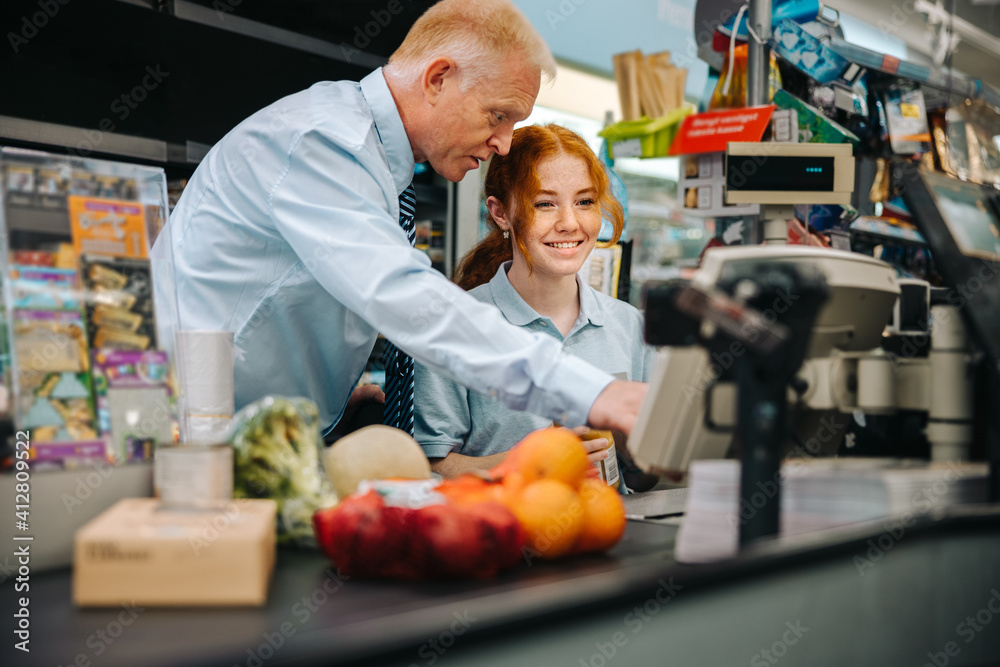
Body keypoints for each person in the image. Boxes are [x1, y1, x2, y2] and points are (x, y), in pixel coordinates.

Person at [154, 0, 647, 443]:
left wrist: (328, 394)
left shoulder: (375, 162)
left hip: (259, 435)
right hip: (188, 442)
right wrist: (595, 394)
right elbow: (406, 300)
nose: (503, 143)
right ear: (437, 79)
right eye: (498, 115)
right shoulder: (324, 141)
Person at [414, 124, 656, 486]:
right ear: (500, 214)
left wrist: (631, 451)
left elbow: (643, 480)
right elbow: (426, 470)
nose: (570, 223)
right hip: (502, 535)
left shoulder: (629, 326)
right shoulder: (453, 325)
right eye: (544, 204)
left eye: (585, 202)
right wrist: (527, 460)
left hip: (608, 534)